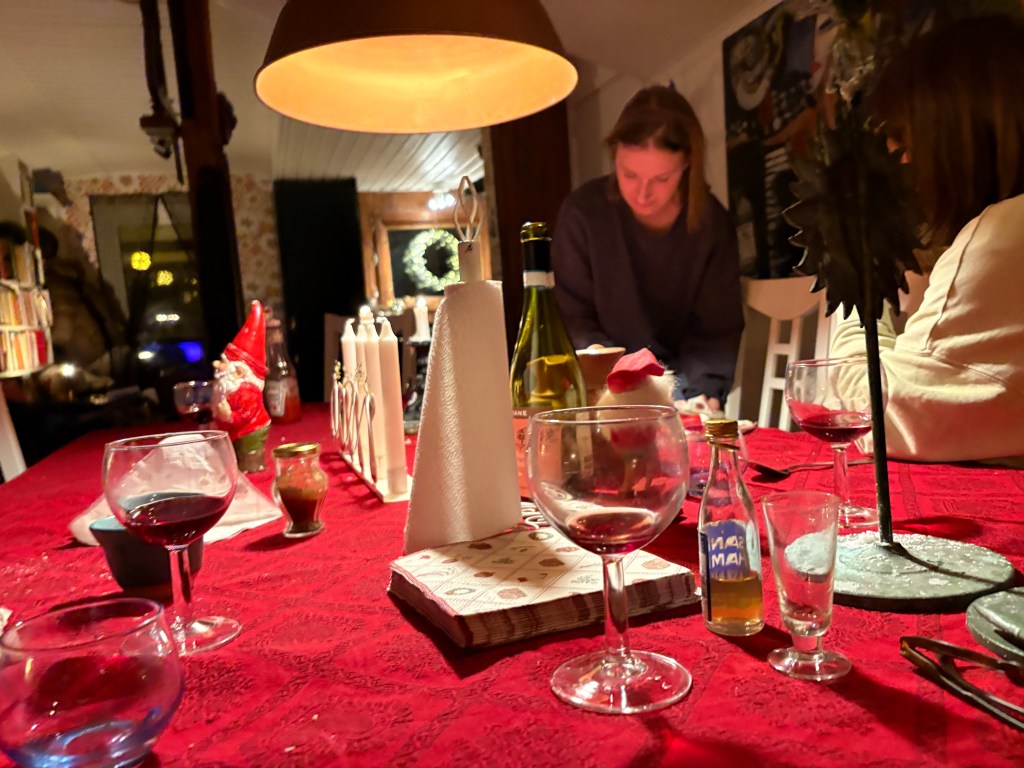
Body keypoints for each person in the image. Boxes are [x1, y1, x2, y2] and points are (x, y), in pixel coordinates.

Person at [830, 14, 1024, 465]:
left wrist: (858, 273)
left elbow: (879, 414)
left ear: (954, 129)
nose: (900, 162)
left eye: (903, 139)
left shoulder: (1001, 233)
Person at [552, 84, 744, 412]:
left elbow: (715, 332)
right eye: (629, 174)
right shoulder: (582, 215)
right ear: (614, 156)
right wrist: (628, 383)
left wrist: (698, 393)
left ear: (687, 165)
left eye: (661, 179)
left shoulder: (711, 225)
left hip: (683, 393)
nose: (643, 194)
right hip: (604, 391)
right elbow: (575, 322)